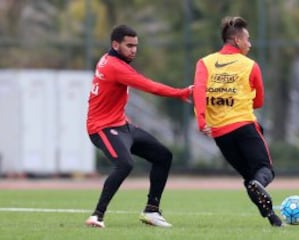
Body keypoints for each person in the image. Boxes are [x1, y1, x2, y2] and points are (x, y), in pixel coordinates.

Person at [85, 24, 192, 228]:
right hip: (102, 128)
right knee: (124, 164)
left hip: (122, 125)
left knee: (163, 156)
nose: (133, 49)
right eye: (129, 45)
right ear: (115, 45)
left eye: (136, 45)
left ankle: (151, 211)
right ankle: (97, 215)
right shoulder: (115, 66)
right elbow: (150, 86)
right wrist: (181, 92)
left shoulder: (112, 59)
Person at [192, 16, 283, 227]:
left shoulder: (204, 63)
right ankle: (261, 189)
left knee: (249, 179)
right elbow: (259, 101)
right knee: (264, 172)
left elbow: (198, 91)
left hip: (220, 135)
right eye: (248, 40)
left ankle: (273, 219)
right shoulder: (250, 65)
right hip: (244, 126)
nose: (250, 44)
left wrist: (201, 120)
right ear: (237, 41)